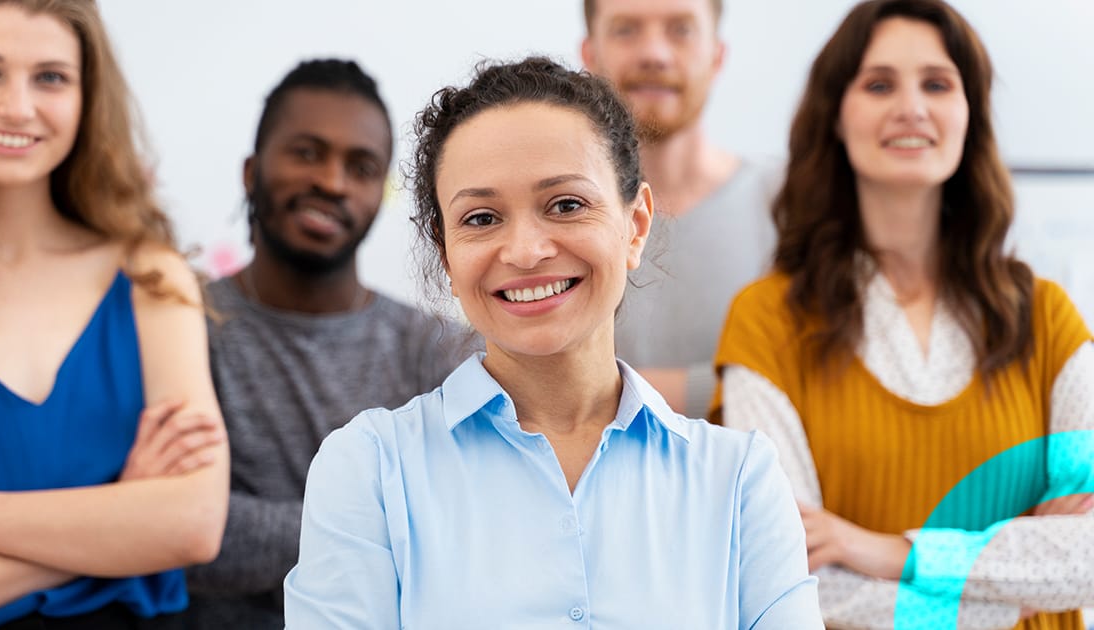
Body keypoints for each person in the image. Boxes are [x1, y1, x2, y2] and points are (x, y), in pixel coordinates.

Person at [283, 57, 822, 628]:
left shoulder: (741, 480)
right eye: (482, 217)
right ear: (446, 254)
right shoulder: (368, 470)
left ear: (635, 226)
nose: (524, 251)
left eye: (566, 205)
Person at [711, 1, 1094, 628]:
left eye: (938, 84)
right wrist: (1018, 595)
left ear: (969, 113)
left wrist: (892, 550)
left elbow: (1090, 557)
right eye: (880, 84)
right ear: (836, 114)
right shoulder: (767, 323)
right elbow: (790, 574)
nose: (911, 107)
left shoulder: (1048, 319)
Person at [0, 0, 229, 628]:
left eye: (50, 77)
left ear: (86, 96)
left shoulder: (149, 278)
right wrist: (119, 522)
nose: (18, 107)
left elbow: (192, 525)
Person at [182, 59, 473, 629]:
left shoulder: (436, 349)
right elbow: (178, 534)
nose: (333, 182)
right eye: (307, 152)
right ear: (251, 170)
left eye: (360, 167)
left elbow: (474, 522)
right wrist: (384, 520)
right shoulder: (182, 327)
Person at [581, 0, 778, 416]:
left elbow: (816, 381)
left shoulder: (789, 203)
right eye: (626, 29)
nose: (654, 53)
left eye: (681, 30)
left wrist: (596, 396)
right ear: (589, 55)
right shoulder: (553, 219)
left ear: (717, 55)